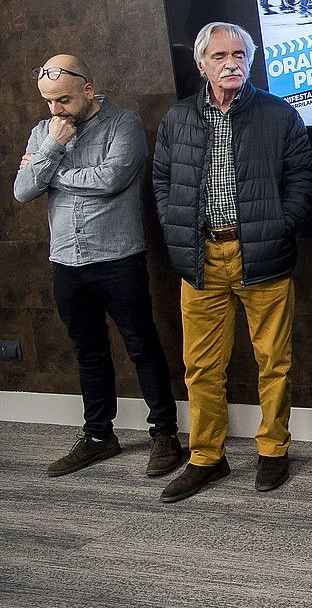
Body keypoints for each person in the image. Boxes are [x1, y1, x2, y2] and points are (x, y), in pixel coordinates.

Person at [153, 22, 312, 503]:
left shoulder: (279, 114)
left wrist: (282, 224)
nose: (232, 64)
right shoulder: (179, 118)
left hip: (262, 255)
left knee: (274, 361)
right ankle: (206, 457)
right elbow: (162, 180)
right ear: (201, 63)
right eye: (221, 55)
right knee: (200, 366)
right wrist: (175, 227)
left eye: (240, 55)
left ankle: (273, 449)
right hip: (201, 259)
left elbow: (303, 178)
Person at [14, 55, 184, 479]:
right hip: (66, 262)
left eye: (65, 100)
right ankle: (97, 436)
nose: (56, 110)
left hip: (118, 259)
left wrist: (47, 168)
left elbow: (111, 180)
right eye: (49, 102)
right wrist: (52, 147)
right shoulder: (44, 131)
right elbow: (21, 190)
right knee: (87, 352)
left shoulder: (122, 125)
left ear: (88, 89)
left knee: (142, 346)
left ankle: (165, 434)